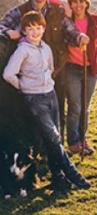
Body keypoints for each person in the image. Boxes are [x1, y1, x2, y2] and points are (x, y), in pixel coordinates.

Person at [2, 11, 90, 190]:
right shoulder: (22, 50)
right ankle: (74, 175)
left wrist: (47, 82)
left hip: (50, 95)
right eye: (30, 28)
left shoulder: (46, 48)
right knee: (54, 137)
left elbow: (50, 68)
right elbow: (8, 74)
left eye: (38, 28)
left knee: (53, 138)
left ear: (43, 28)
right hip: (34, 100)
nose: (35, 32)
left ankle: (57, 178)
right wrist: (24, 86)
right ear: (24, 30)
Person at [0, 0, 90, 143]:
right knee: (30, 112)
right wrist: (7, 32)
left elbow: (70, 31)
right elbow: (1, 25)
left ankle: (57, 148)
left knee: (57, 111)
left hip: (56, 70)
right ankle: (34, 148)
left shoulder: (58, 11)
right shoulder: (19, 10)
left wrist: (80, 37)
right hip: (29, 74)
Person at [63, 0, 97, 156]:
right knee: (75, 106)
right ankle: (73, 142)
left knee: (86, 108)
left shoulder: (95, 19)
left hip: (91, 69)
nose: (78, 5)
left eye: (81, 1)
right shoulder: (67, 21)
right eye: (74, 2)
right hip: (72, 68)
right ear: (70, 4)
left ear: (86, 3)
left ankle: (83, 139)